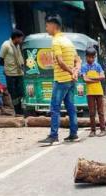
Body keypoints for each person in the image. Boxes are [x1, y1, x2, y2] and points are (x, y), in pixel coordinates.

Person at [38, 15, 81, 145]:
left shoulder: (56, 41)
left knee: (55, 108)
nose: (46, 28)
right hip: (71, 81)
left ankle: (54, 136)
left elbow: (60, 62)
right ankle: (73, 134)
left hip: (61, 80)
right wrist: (75, 71)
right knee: (71, 107)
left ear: (53, 25)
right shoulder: (68, 41)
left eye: (47, 25)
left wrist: (70, 71)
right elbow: (78, 60)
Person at [80, 47, 106, 137]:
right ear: (86, 57)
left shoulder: (97, 65)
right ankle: (93, 130)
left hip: (99, 91)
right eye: (89, 57)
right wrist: (96, 79)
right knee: (91, 112)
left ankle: (103, 129)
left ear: (95, 57)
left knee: (101, 112)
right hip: (90, 93)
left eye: (93, 57)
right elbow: (84, 79)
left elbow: (103, 76)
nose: (91, 59)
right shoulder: (84, 67)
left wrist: (90, 78)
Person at [0, 29, 25, 115]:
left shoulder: (17, 45)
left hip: (19, 73)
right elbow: (0, 60)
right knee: (13, 94)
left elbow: (19, 57)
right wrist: (8, 68)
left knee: (21, 92)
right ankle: (17, 112)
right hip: (10, 74)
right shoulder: (6, 45)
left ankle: (22, 110)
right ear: (16, 38)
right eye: (20, 39)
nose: (21, 41)